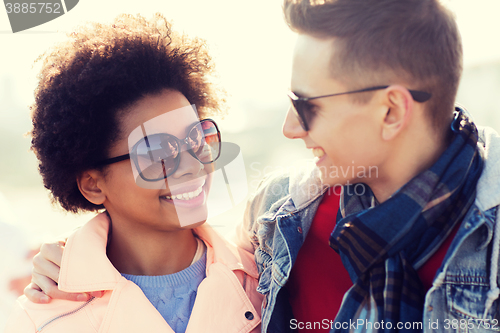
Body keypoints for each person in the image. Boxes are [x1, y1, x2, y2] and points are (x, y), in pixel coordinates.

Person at [24, 0, 500, 332]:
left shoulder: (490, 242)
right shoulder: (280, 220)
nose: (290, 128)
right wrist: (78, 261)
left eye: (308, 104)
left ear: (392, 111)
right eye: (157, 153)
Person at [5, 13, 262, 333]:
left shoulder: (265, 281)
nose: (192, 165)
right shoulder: (43, 320)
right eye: (157, 152)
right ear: (93, 184)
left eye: (195, 138)